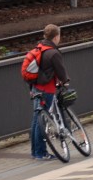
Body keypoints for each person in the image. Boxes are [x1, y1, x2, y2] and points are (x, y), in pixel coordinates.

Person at [29, 23, 69, 160]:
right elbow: (61, 72)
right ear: (56, 37)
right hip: (46, 89)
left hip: (35, 88)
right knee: (43, 121)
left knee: (36, 120)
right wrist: (65, 82)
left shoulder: (39, 48)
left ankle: (35, 152)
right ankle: (41, 153)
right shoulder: (53, 53)